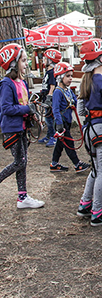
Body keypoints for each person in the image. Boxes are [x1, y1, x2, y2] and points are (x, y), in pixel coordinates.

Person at [76, 38, 102, 226]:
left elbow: (80, 111)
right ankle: (97, 211)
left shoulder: (85, 82)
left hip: (90, 130)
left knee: (95, 169)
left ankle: (85, 204)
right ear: (101, 59)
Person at [0, 44, 45, 209]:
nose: (27, 64)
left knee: (23, 162)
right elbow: (6, 108)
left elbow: (25, 104)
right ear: (13, 63)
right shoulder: (6, 84)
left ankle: (22, 197)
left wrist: (32, 114)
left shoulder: (22, 82)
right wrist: (27, 109)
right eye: (24, 60)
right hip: (12, 129)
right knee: (19, 162)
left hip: (22, 127)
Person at [50, 62, 90, 173]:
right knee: (69, 143)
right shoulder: (57, 92)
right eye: (67, 76)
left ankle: (54, 163)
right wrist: (59, 124)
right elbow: (55, 109)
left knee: (60, 144)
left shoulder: (68, 91)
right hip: (60, 122)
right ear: (60, 77)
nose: (71, 78)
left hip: (66, 121)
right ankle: (77, 164)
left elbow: (76, 102)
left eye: (71, 76)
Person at [38, 48, 62, 147]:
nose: (43, 60)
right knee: (47, 117)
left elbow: (52, 85)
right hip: (45, 96)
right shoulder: (47, 71)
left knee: (49, 118)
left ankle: (53, 136)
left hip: (49, 98)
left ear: (50, 60)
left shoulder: (52, 72)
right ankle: (48, 135)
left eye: (45, 58)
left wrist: (49, 96)